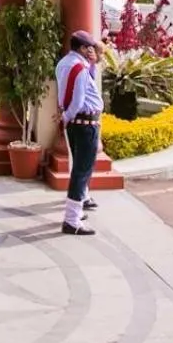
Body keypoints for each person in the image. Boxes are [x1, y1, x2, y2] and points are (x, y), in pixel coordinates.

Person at [57, 30, 103, 235]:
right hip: (85, 123)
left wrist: (66, 118)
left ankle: (79, 206)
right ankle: (72, 220)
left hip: (76, 123)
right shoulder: (80, 69)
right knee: (82, 171)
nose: (92, 51)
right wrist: (66, 117)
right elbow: (77, 100)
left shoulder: (64, 63)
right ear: (82, 48)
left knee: (79, 168)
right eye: (90, 48)